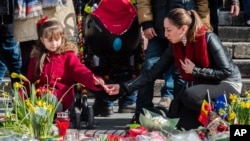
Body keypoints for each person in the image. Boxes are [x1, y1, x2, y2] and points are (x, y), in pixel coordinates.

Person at [105, 8, 242, 130]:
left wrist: (196, 71)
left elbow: (226, 71)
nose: (165, 34)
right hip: (204, 85)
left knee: (190, 95)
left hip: (228, 83)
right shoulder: (175, 46)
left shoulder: (208, 38)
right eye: (164, 29)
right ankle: (212, 126)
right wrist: (124, 87)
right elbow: (153, 72)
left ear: (182, 29)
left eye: (169, 30)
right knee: (181, 123)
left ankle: (224, 119)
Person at [134, 0, 211, 123]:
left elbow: (202, 3)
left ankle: (179, 115)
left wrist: (203, 26)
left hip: (183, 30)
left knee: (180, 73)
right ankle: (141, 114)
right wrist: (146, 22)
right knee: (148, 68)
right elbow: (144, 1)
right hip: (157, 30)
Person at [25, 17, 109, 112]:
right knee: (37, 103)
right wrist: (20, 96)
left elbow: (80, 71)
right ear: (42, 40)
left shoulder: (68, 56)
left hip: (61, 95)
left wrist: (93, 79)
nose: (54, 43)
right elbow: (29, 81)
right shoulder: (37, 58)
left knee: (49, 100)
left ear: (62, 37)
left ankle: (46, 114)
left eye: (57, 40)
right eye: (50, 40)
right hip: (40, 95)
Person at [0, 0, 22, 85]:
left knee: (13, 63)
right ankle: (20, 94)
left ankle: (20, 93)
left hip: (6, 23)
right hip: (6, 23)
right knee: (13, 63)